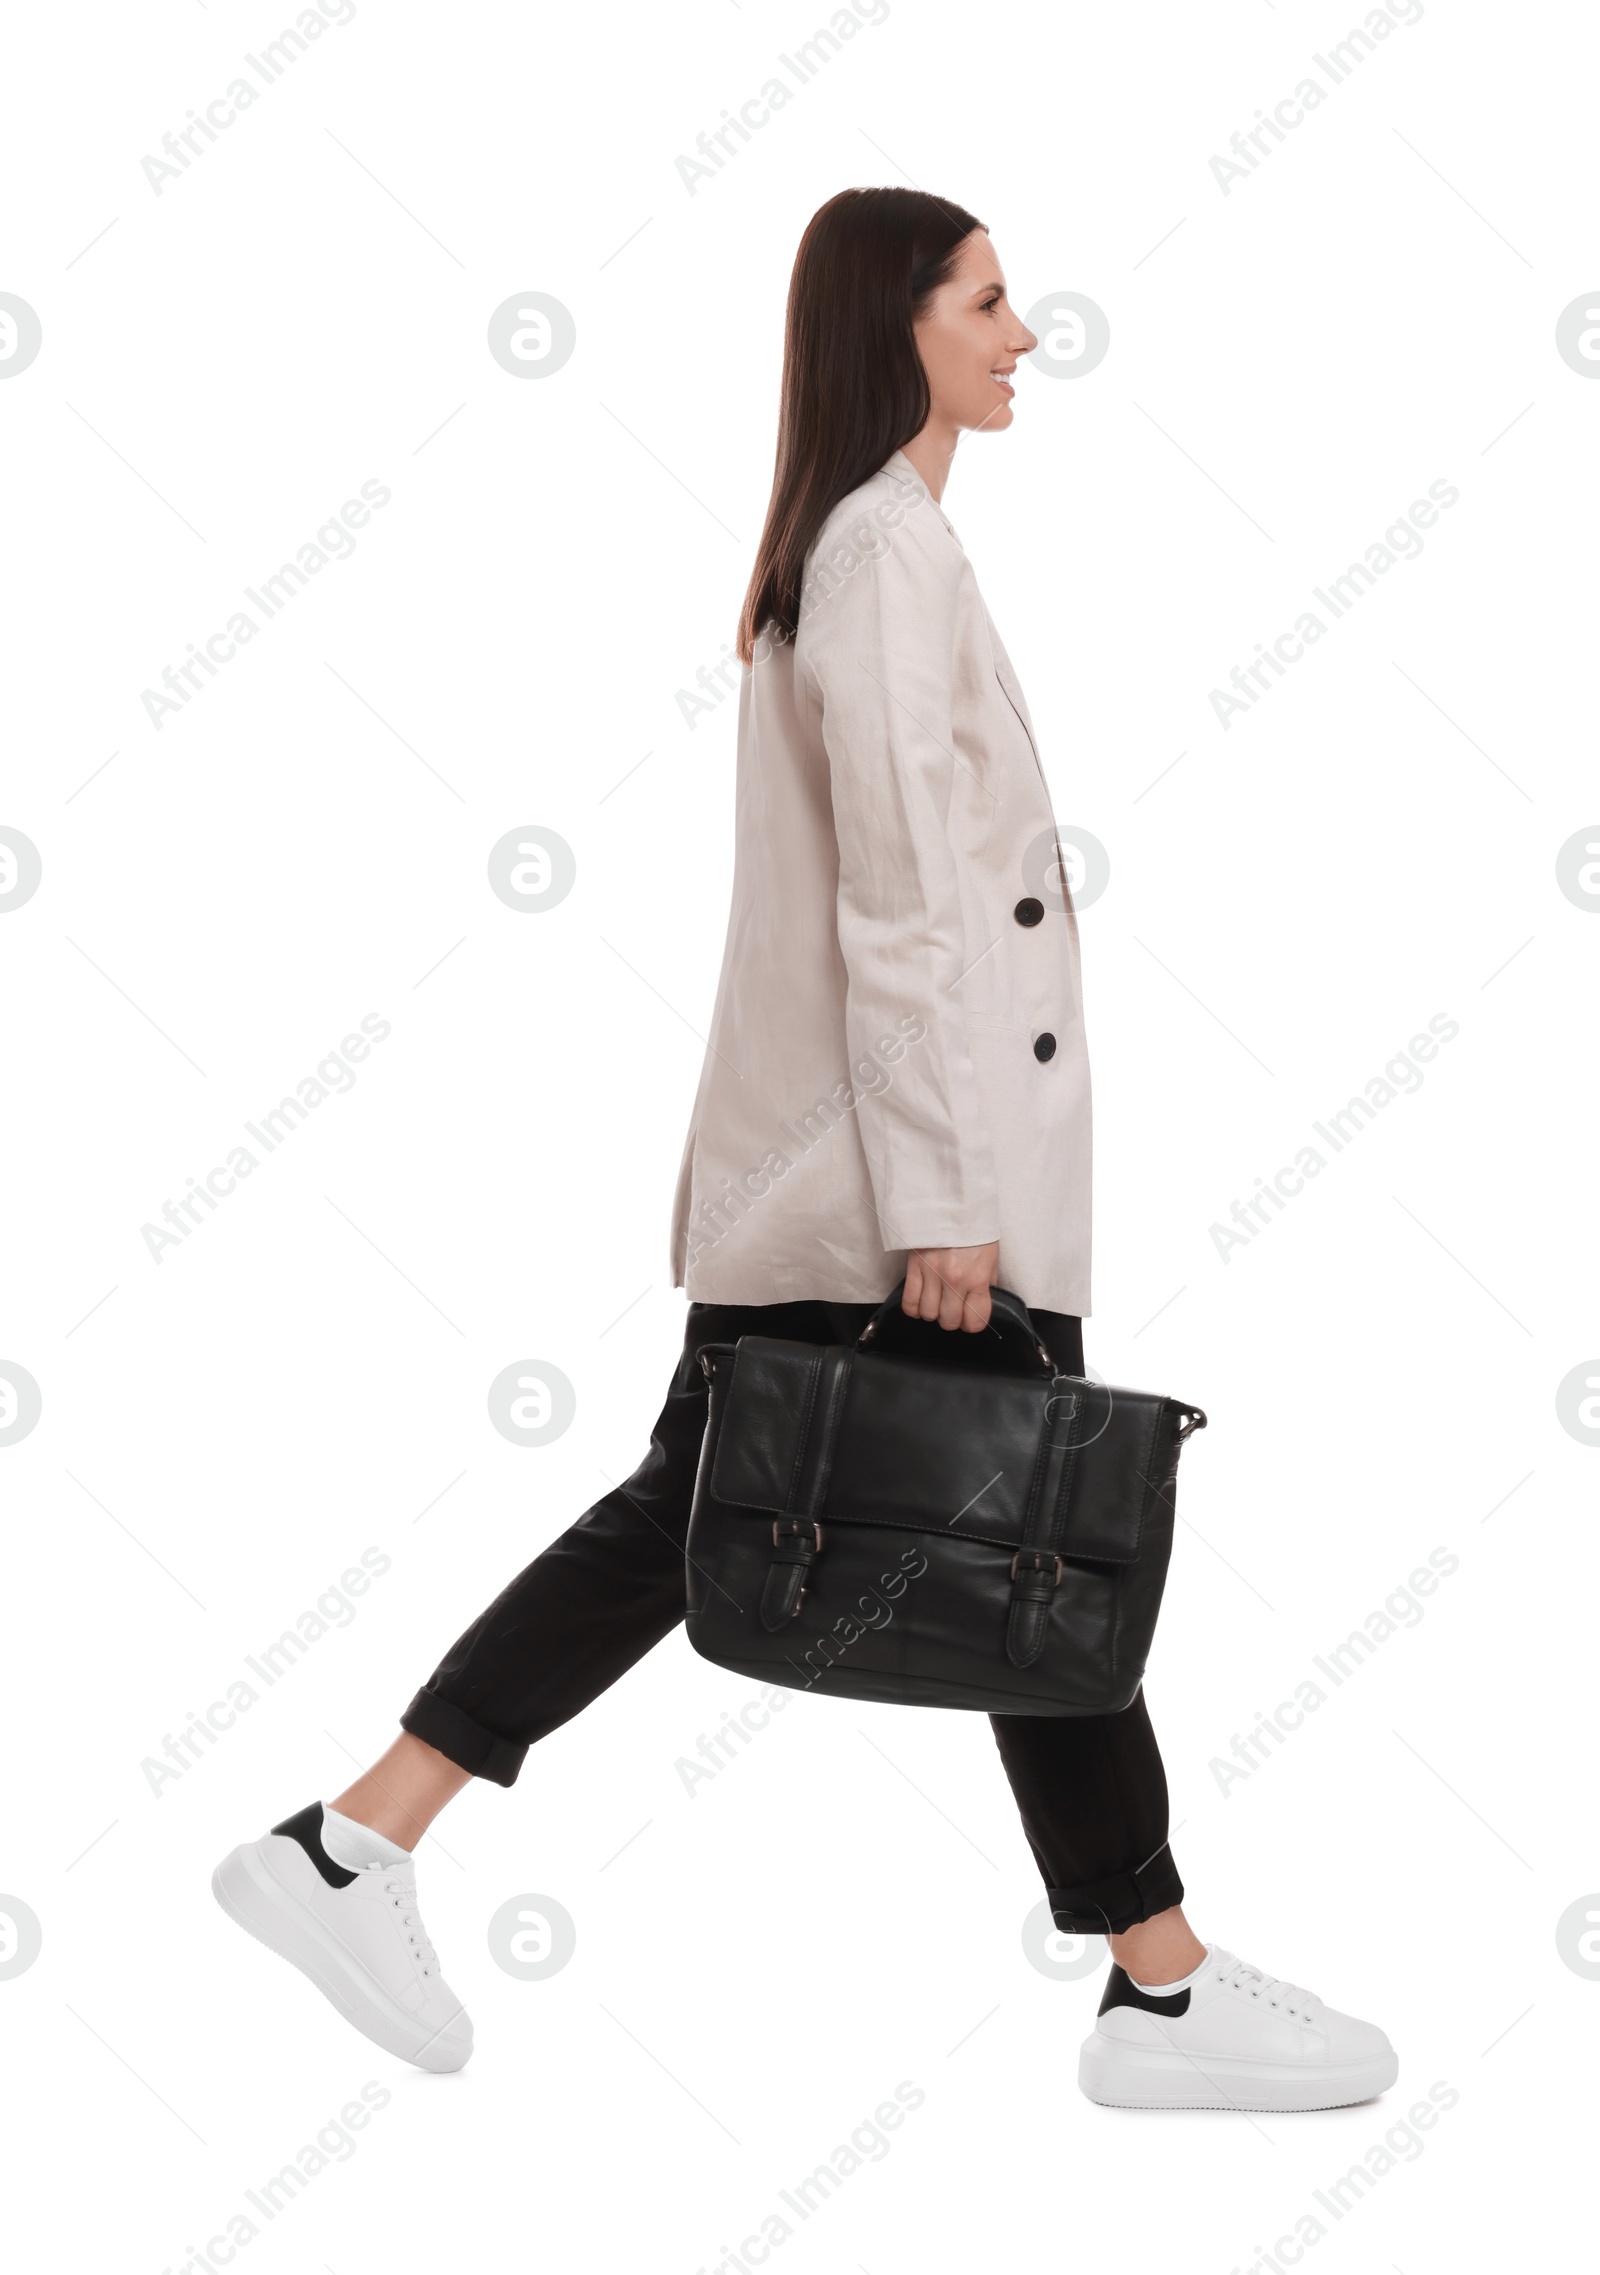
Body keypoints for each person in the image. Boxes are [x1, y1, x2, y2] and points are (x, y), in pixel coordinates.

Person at [213, 187, 1396, 2113]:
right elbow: (904, 911)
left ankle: (354, 1845)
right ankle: (1157, 1988)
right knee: (1031, 1535)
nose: (1026, 334)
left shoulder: (871, 546)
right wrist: (950, 1206)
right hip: (889, 1199)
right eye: (991, 302)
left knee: (768, 1528)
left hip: (850, 1185)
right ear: (900, 324)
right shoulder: (883, 558)